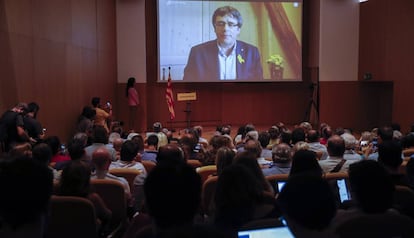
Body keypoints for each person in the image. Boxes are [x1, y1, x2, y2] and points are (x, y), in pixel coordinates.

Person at [183, 6, 263, 81]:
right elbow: (188, 87)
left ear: (238, 29)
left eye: (231, 24)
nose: (225, 29)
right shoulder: (198, 53)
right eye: (221, 24)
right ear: (215, 28)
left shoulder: (251, 52)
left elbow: (258, 86)